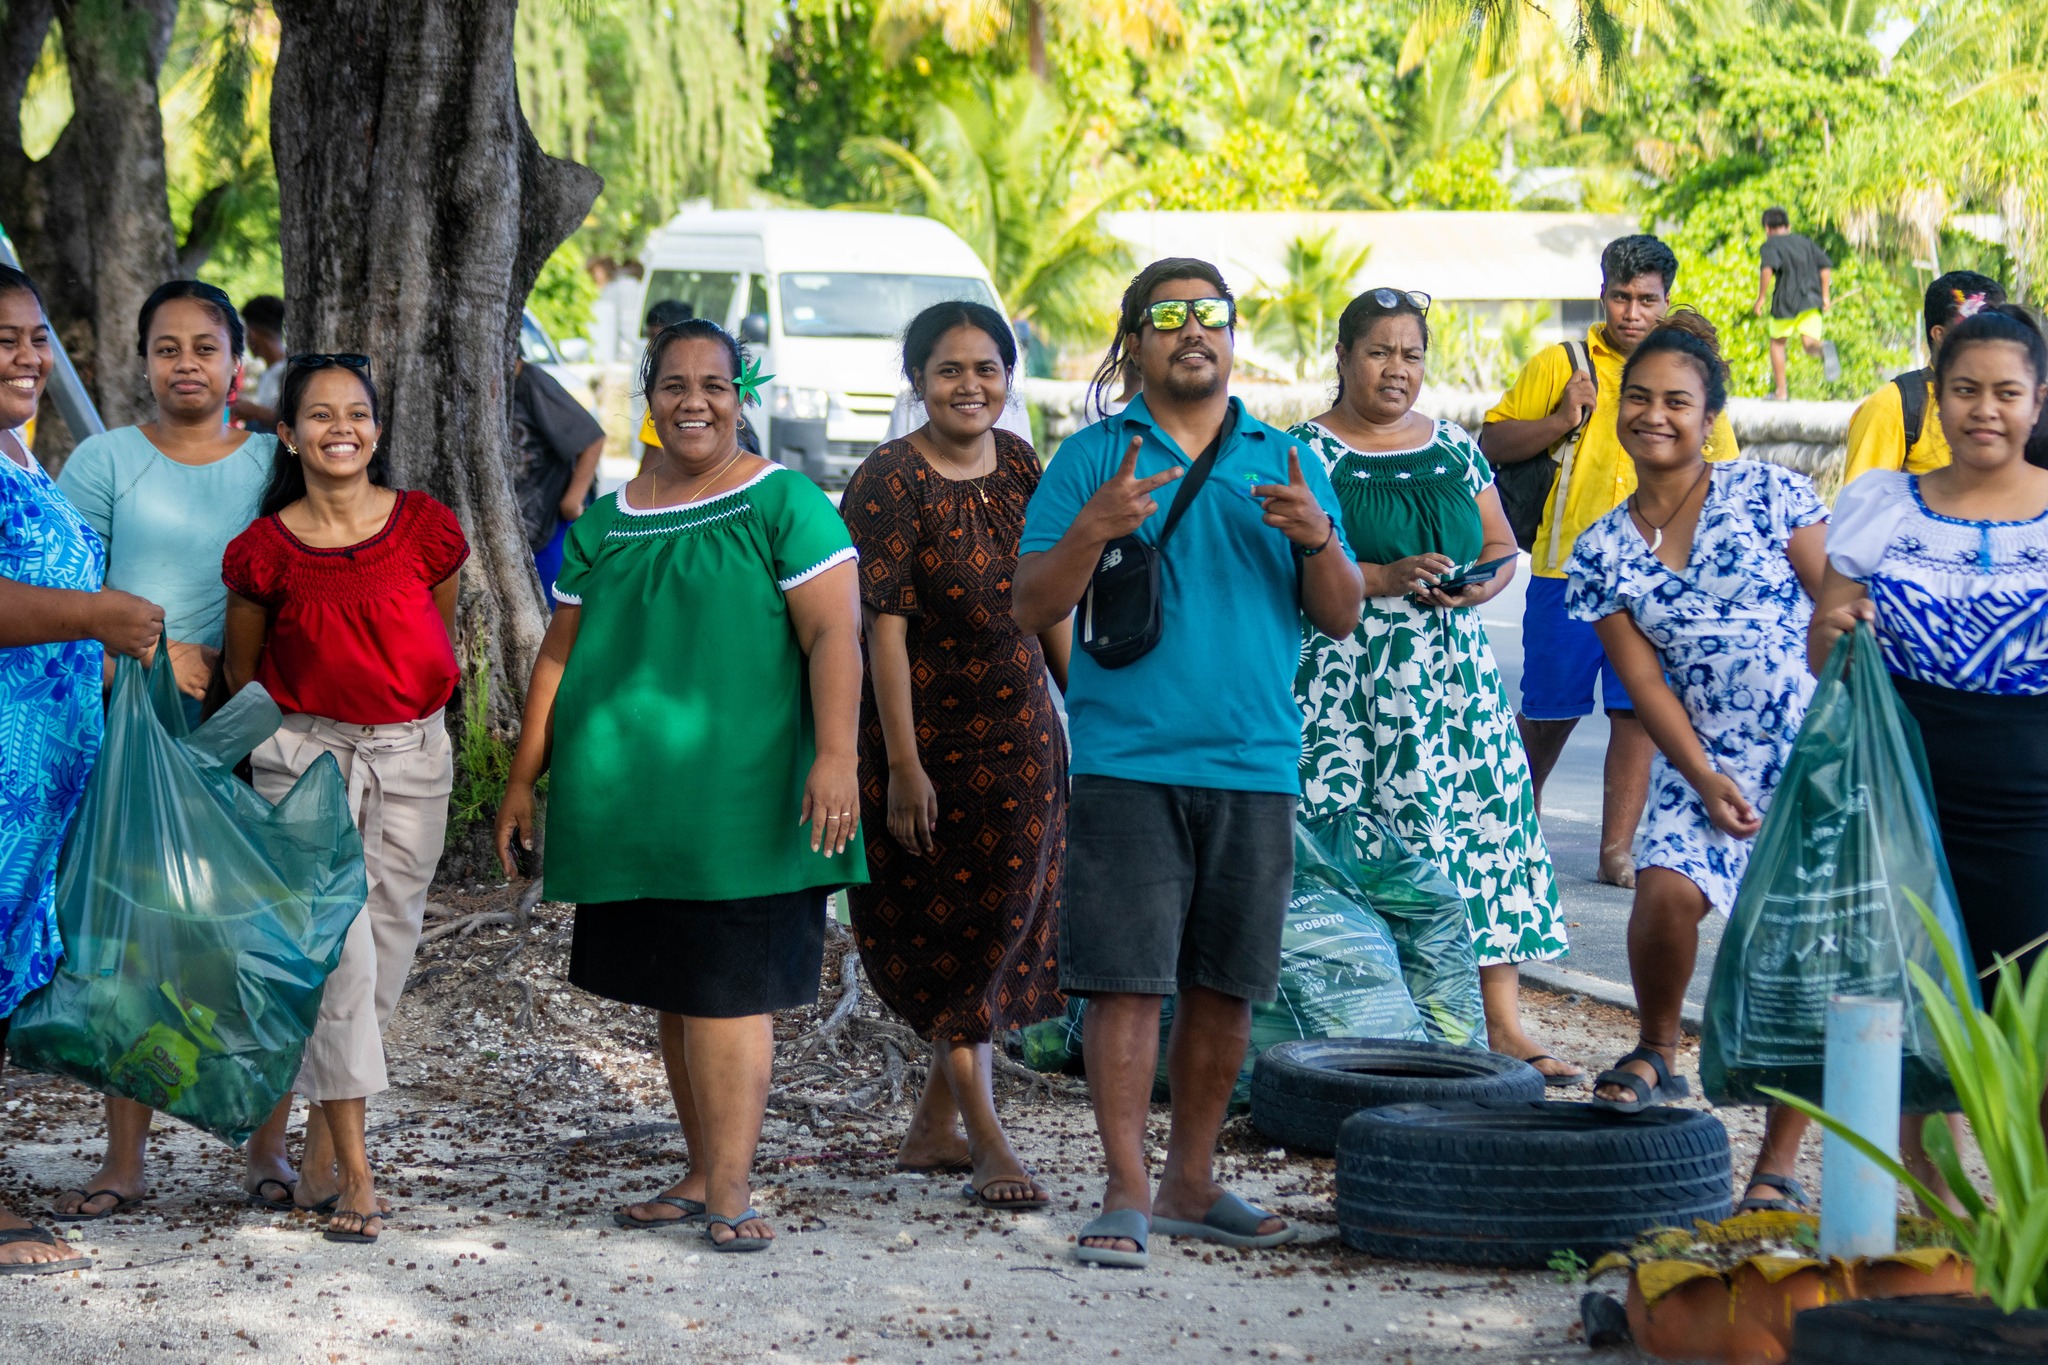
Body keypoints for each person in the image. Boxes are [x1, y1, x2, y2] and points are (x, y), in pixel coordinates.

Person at [1012, 259, 1363, 1268]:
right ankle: (1124, 1189)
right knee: (1124, 985)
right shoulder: (1089, 458)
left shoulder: (1288, 458)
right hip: (1126, 759)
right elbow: (1028, 608)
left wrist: (1312, 541)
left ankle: (1191, 1181)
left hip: (1254, 762)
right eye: (1168, 317)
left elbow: (1339, 615)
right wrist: (1092, 529)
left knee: (1225, 987)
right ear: (1134, 341)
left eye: (1210, 315)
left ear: (1231, 335)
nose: (1192, 332)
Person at [495, 318, 866, 1253]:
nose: (693, 400)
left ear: (742, 396)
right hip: (636, 806)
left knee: (729, 994)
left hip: (746, 806)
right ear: (649, 398)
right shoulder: (613, 519)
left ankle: (734, 1191)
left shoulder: (786, 503)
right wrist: (522, 777)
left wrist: (835, 756)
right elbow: (558, 656)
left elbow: (835, 636)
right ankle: (703, 1171)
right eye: (674, 384)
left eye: (714, 384)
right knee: (678, 991)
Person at [1564, 312, 1828, 1211]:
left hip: (1810, 751)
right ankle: (1657, 1048)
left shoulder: (1770, 494)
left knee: (1795, 948)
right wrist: (1704, 775)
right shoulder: (1600, 547)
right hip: (1700, 753)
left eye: (1678, 401)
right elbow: (1642, 677)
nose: (1654, 414)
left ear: (1709, 415)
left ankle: (1778, 1163)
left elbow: (1834, 603)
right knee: (1666, 891)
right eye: (1638, 397)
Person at [1291, 287, 1577, 1084]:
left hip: (1451, 684)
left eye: (1411, 354)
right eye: (1378, 351)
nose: (1396, 369)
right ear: (1343, 357)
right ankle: (1385, 1018)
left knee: (1476, 832)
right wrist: (1383, 574)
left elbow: (1499, 543)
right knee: (1364, 835)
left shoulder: (1454, 447)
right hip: (1347, 683)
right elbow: (1291, 563)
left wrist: (1477, 583)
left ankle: (1500, 1024)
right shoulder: (1303, 452)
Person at [51, 280, 291, 1222]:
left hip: (258, 728)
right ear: (140, 359)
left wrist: (232, 667)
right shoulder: (105, 461)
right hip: (135, 734)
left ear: (240, 360)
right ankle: (124, 1159)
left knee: (256, 936)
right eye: (166, 347)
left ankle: (266, 1146)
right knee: (132, 941)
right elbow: (62, 607)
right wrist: (151, 657)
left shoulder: (277, 460)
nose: (185, 364)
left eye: (205, 346)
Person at [220, 355, 465, 1245]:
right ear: (287, 434)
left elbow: (432, 624)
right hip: (304, 756)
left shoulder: (425, 527)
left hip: (412, 752)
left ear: (376, 428)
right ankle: (358, 1173)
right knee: (340, 958)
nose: (341, 427)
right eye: (319, 414)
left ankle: (323, 1147)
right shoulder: (264, 550)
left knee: (391, 949)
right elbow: (242, 671)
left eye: (357, 412)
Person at [842, 302, 1069, 1206]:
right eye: (949, 370)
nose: (970, 386)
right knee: (947, 933)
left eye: (986, 369)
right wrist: (902, 765)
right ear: (918, 380)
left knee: (1002, 928)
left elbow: (1046, 601)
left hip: (1020, 741)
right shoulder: (887, 480)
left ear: (1007, 378)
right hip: (924, 744)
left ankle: (934, 1125)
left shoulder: (1021, 464)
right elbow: (881, 632)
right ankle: (987, 1140)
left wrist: (1083, 703)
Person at [1480, 234, 1741, 889]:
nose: (1632, 312)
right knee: (1547, 711)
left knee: (1635, 716)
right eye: (1621, 297)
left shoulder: (1691, 369)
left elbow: (1726, 470)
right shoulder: (1562, 362)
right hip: (1565, 570)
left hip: (1657, 580)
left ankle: (1616, 851)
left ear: (1665, 301)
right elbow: (1494, 439)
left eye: (1646, 300)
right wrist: (1564, 415)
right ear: (1603, 295)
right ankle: (1514, 831)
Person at [0, 265, 165, 1275]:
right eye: (5, 339)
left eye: (34, 337)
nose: (28, 356)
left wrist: (104, 652)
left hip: (34, 784)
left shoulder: (19, 451)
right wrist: (95, 616)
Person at [1813, 303, 2048, 989]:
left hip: (2032, 811)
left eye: (2007, 392)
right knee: (1892, 1034)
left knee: (2029, 1040)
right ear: (1937, 400)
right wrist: (1836, 635)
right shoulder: (1880, 502)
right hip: (1894, 794)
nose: (1985, 410)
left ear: (2037, 402)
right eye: (1965, 390)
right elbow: (1822, 652)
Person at [1838, 272, 2006, 489]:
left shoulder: (2017, 402)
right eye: (1980, 331)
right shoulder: (1893, 406)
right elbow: (1861, 511)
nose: (1996, 340)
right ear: (1940, 335)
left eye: (2002, 328)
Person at [510, 355, 605, 609]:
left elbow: (592, 438)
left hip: (547, 528)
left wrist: (572, 501)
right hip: (511, 532)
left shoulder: (531, 382)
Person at [1754, 207, 1838, 400]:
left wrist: (1761, 297)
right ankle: (1823, 348)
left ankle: (1781, 392)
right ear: (1788, 226)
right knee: (1809, 344)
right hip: (1811, 299)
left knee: (1777, 343)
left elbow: (1767, 268)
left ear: (1767, 228)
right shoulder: (1805, 242)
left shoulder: (1770, 245)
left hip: (1786, 303)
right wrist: (1825, 296)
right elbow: (1825, 266)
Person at [635, 299, 697, 475]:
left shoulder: (667, 388)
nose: (651, 347)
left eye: (656, 338)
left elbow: (655, 452)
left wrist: (636, 494)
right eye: (649, 338)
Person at [232, 294, 288, 433]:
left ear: (253, 332)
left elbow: (297, 422)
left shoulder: (289, 369)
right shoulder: (267, 373)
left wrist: (256, 412)